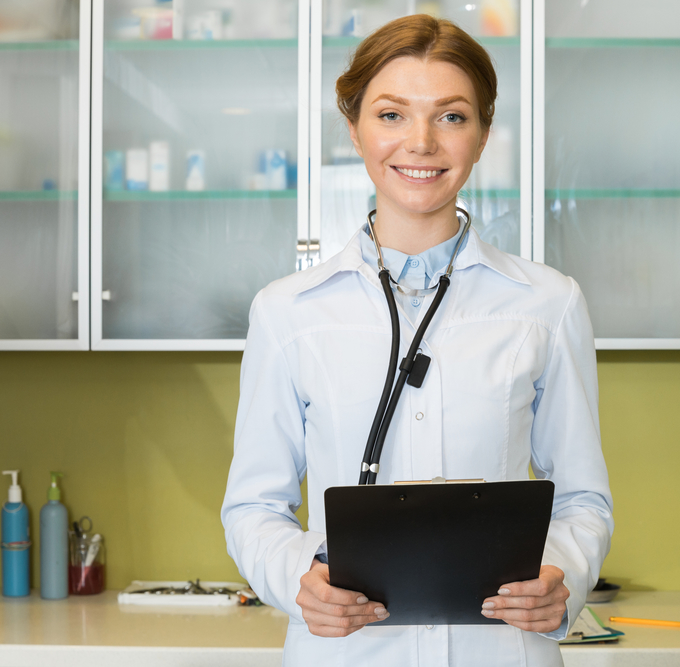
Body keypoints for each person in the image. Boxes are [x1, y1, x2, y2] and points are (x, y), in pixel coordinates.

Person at [221, 14, 613, 666]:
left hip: (500, 648)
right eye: (392, 115)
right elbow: (255, 505)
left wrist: (562, 574)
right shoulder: (288, 313)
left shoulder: (548, 304)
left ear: (484, 134)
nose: (421, 142)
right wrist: (299, 581)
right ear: (355, 129)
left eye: (452, 117)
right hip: (343, 651)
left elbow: (581, 498)